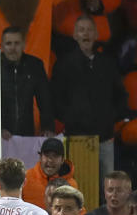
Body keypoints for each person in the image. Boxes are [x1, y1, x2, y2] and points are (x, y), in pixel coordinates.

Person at [50, 15, 126, 179]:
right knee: (82, 182)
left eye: (90, 30)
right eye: (81, 30)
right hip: (78, 137)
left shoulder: (107, 63)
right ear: (75, 35)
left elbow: (119, 94)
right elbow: (56, 98)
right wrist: (71, 118)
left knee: (109, 184)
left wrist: (111, 118)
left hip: (105, 137)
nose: (86, 34)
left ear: (97, 35)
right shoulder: (64, 64)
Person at [0, 26, 53, 138]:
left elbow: (45, 100)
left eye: (17, 43)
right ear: (2, 46)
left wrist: (47, 128)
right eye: (9, 43)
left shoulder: (35, 65)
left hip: (26, 135)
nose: (13, 48)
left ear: (24, 45)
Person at [21, 138, 79, 212]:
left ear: (62, 160)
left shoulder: (71, 185)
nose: (50, 160)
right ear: (40, 157)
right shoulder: (25, 178)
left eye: (55, 156)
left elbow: (78, 212)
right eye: (47, 155)